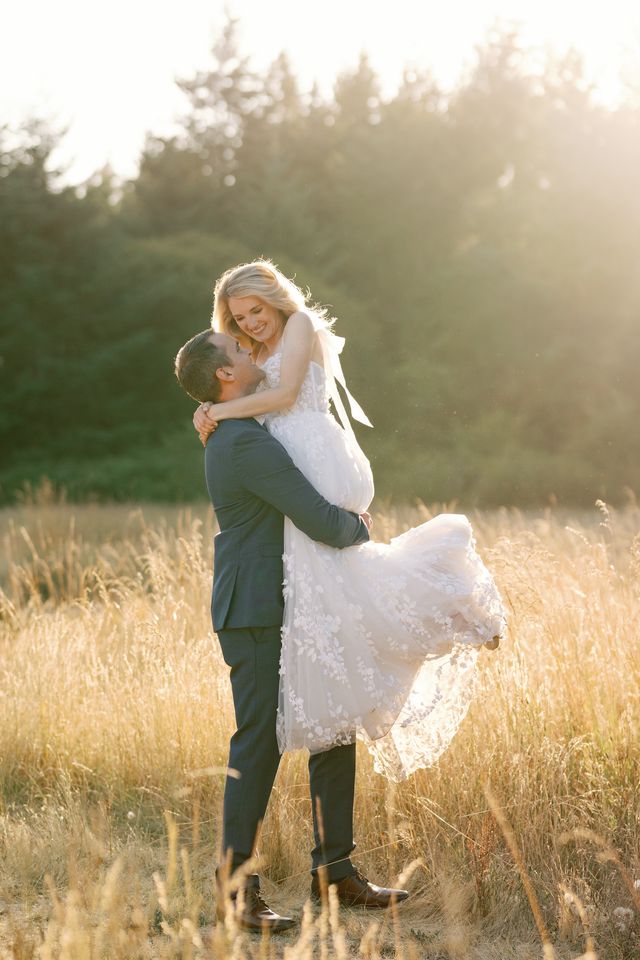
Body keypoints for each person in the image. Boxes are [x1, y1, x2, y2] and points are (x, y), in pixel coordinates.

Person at [193, 260, 506, 784]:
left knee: (342, 568)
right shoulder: (250, 353)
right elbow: (232, 385)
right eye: (238, 317)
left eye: (254, 310)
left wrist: (216, 413)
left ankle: (455, 602)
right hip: (285, 461)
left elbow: (288, 395)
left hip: (311, 454)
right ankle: (443, 611)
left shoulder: (299, 326)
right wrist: (209, 404)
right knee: (343, 588)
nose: (249, 323)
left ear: (274, 297)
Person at [175, 330, 410, 932]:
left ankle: (335, 871)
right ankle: (236, 894)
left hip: (295, 600)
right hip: (255, 607)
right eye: (240, 348)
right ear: (225, 375)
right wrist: (359, 527)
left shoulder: (245, 429)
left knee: (333, 723)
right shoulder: (244, 442)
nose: (252, 351)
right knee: (258, 741)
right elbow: (320, 522)